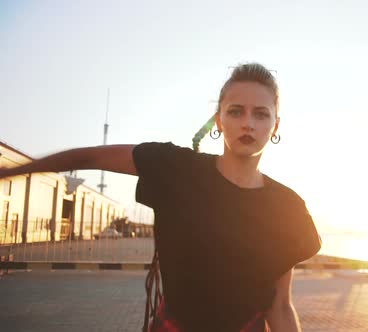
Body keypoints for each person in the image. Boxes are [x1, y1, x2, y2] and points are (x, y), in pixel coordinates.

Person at [0, 63, 322, 331]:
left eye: (261, 114)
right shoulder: (175, 169)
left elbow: (280, 306)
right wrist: (9, 172)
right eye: (236, 112)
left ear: (275, 124)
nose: (248, 123)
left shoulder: (287, 208)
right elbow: (90, 157)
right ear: (219, 120)